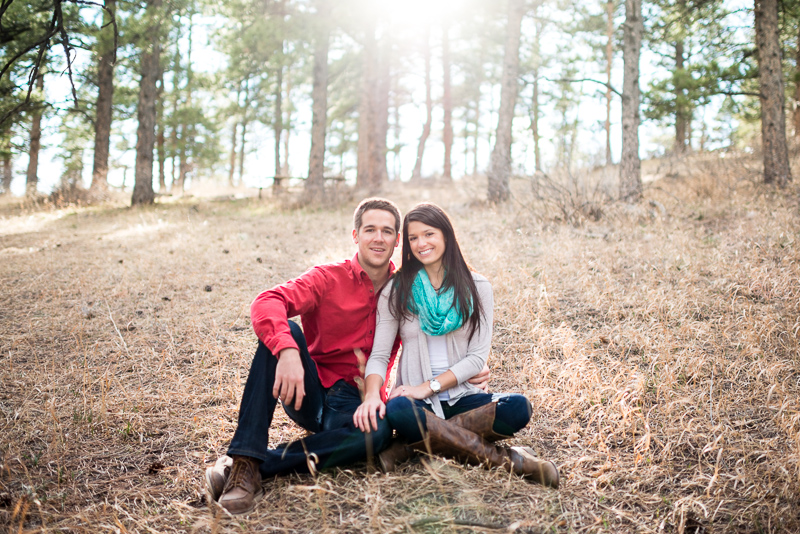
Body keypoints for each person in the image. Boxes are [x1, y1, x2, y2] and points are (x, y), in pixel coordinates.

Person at [205, 198, 490, 515]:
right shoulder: (327, 277)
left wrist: (469, 366)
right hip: (308, 390)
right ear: (356, 235)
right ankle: (244, 460)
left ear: (397, 241)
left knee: (377, 435)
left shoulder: (408, 290)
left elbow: (436, 336)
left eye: (387, 231)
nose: (378, 238)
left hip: (355, 400)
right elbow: (268, 300)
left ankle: (264, 463)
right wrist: (287, 351)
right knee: (282, 330)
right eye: (370, 230)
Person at [354, 202, 559, 488]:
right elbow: (378, 354)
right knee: (399, 409)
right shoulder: (396, 289)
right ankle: (513, 462)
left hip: (463, 397)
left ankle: (407, 448)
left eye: (429, 234)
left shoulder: (477, 287)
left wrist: (429, 386)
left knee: (518, 407)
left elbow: (477, 358)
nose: (421, 243)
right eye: (413, 238)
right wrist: (374, 395)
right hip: (417, 404)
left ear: (446, 236)